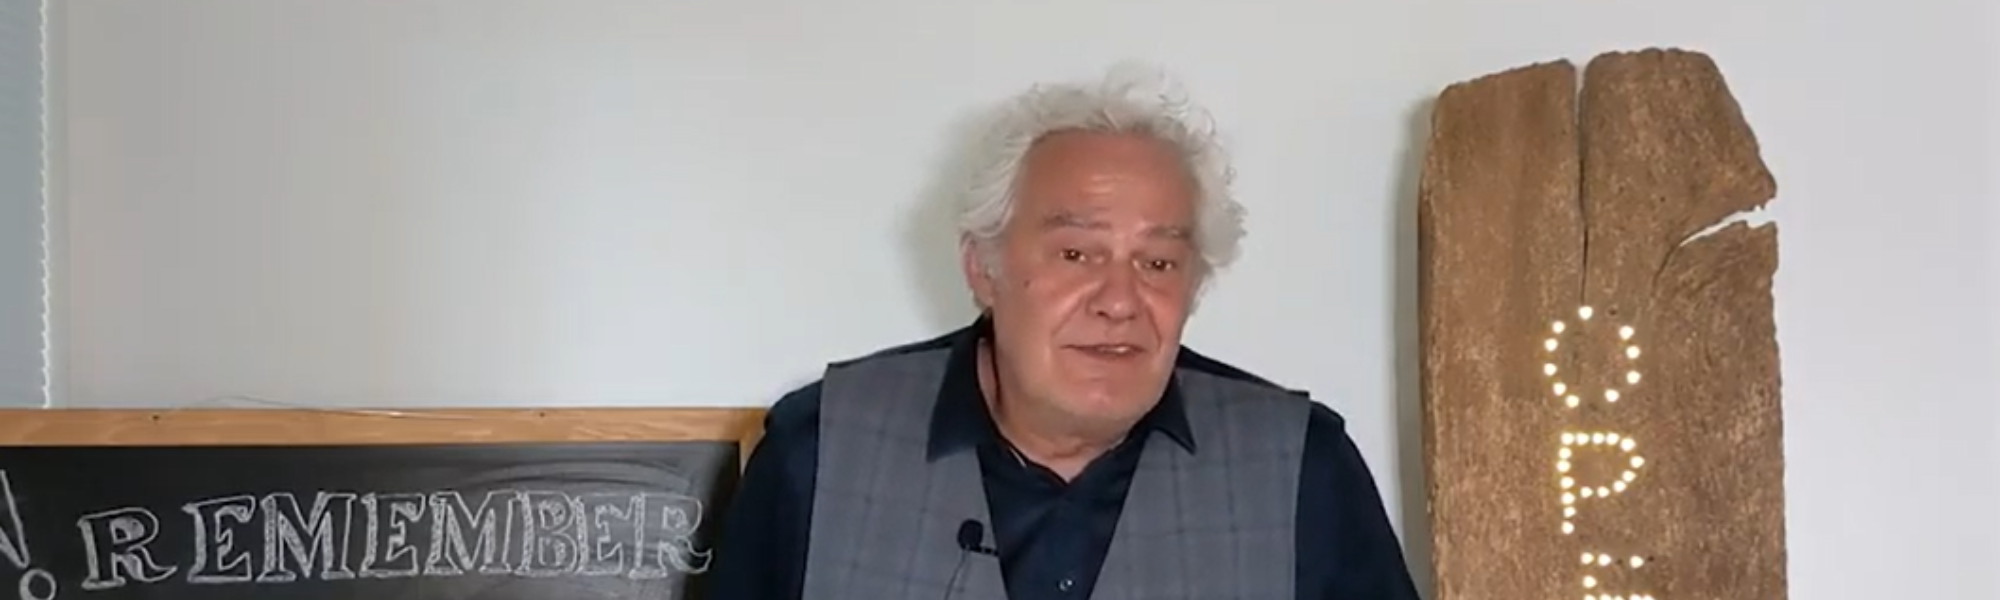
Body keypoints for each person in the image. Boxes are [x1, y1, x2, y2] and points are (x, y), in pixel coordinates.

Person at [706, 63, 1420, 600]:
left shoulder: (1303, 471)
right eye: (1076, 254)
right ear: (983, 268)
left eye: (1158, 262)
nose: (1120, 301)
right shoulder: (819, 451)